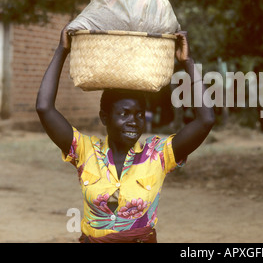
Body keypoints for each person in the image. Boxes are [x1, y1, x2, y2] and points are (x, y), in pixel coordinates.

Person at [36, 28, 215, 243]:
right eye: (124, 114)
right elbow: (44, 108)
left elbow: (205, 120)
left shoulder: (157, 155)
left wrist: (188, 63)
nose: (134, 121)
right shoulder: (85, 151)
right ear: (104, 117)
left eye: (139, 115)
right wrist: (62, 51)